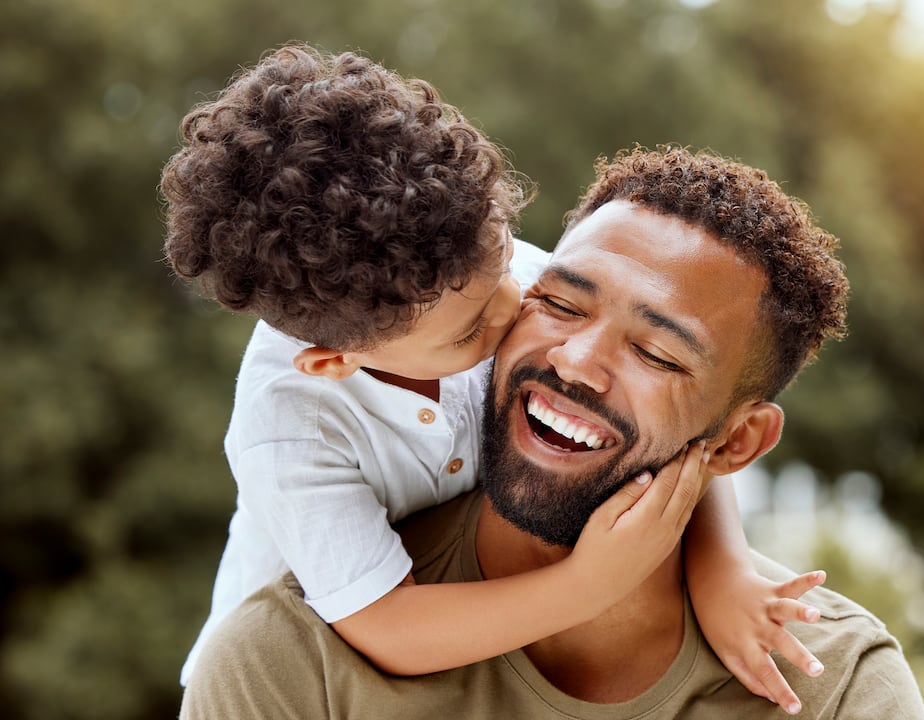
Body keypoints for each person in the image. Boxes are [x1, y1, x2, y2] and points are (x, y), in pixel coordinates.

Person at [161, 45, 827, 713]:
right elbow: (387, 627)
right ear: (337, 361)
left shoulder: (482, 283)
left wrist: (723, 571)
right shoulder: (291, 430)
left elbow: (681, 420)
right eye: (470, 332)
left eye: (521, 276)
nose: (521, 314)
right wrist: (589, 586)